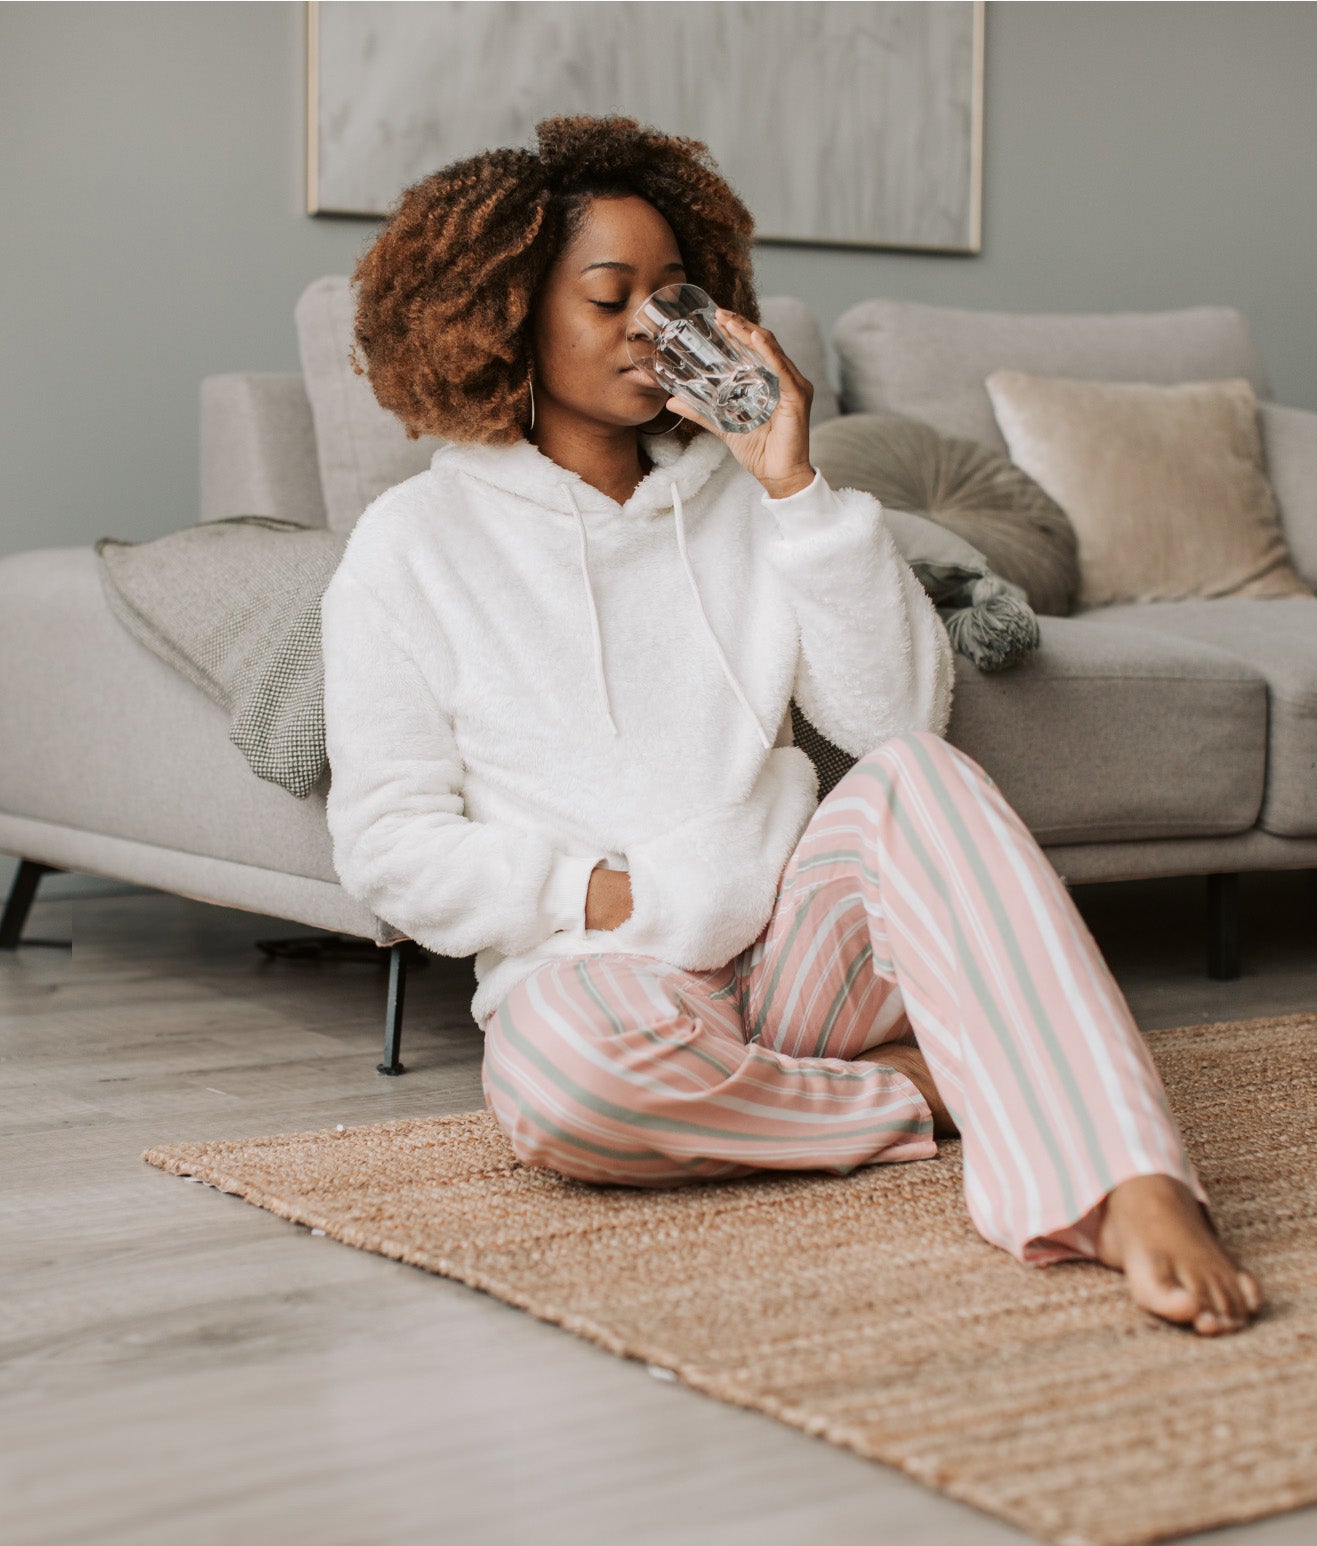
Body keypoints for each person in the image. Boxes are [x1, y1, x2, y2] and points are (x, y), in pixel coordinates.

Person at [321, 113, 1264, 1336]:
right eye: (610, 298)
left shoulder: (750, 496)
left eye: (675, 296)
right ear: (504, 313)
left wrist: (793, 486)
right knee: (561, 1090)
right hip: (604, 975)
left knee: (923, 776)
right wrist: (603, 895)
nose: (654, 330)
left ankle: (1126, 1181)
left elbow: (895, 719)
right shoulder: (412, 547)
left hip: (795, 951)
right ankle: (917, 1095)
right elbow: (387, 846)